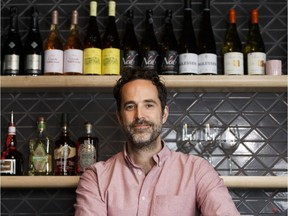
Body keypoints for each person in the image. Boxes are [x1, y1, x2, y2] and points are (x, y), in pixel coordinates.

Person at [74, 70, 240, 216]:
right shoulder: (96, 177)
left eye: (149, 105)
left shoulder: (197, 171)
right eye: (130, 106)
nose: (140, 115)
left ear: (164, 113)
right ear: (119, 117)